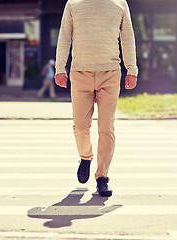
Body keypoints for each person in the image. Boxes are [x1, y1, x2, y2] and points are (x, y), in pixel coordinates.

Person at [54, 0, 138, 197]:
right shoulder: (73, 3)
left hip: (110, 73)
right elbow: (64, 36)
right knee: (81, 126)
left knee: (106, 127)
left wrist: (132, 69)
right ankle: (85, 157)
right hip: (79, 73)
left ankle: (102, 177)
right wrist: (60, 68)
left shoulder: (120, 3)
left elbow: (127, 37)